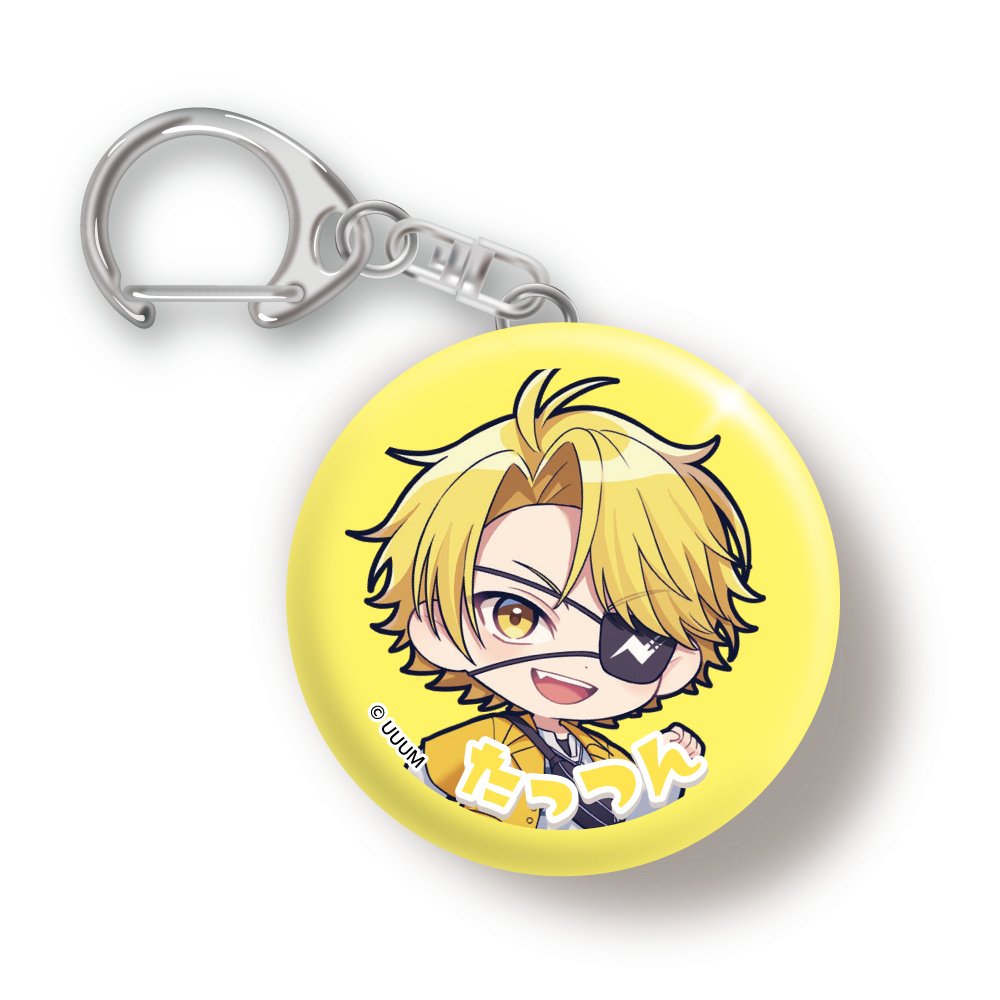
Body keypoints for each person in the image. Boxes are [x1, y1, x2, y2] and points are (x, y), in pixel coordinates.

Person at [350, 369, 760, 829]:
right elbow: (422, 787)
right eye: (516, 615)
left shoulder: (603, 756)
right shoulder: (480, 744)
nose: (576, 660)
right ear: (437, 628)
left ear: (675, 660)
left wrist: (670, 768)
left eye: (633, 632)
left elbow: (629, 822)